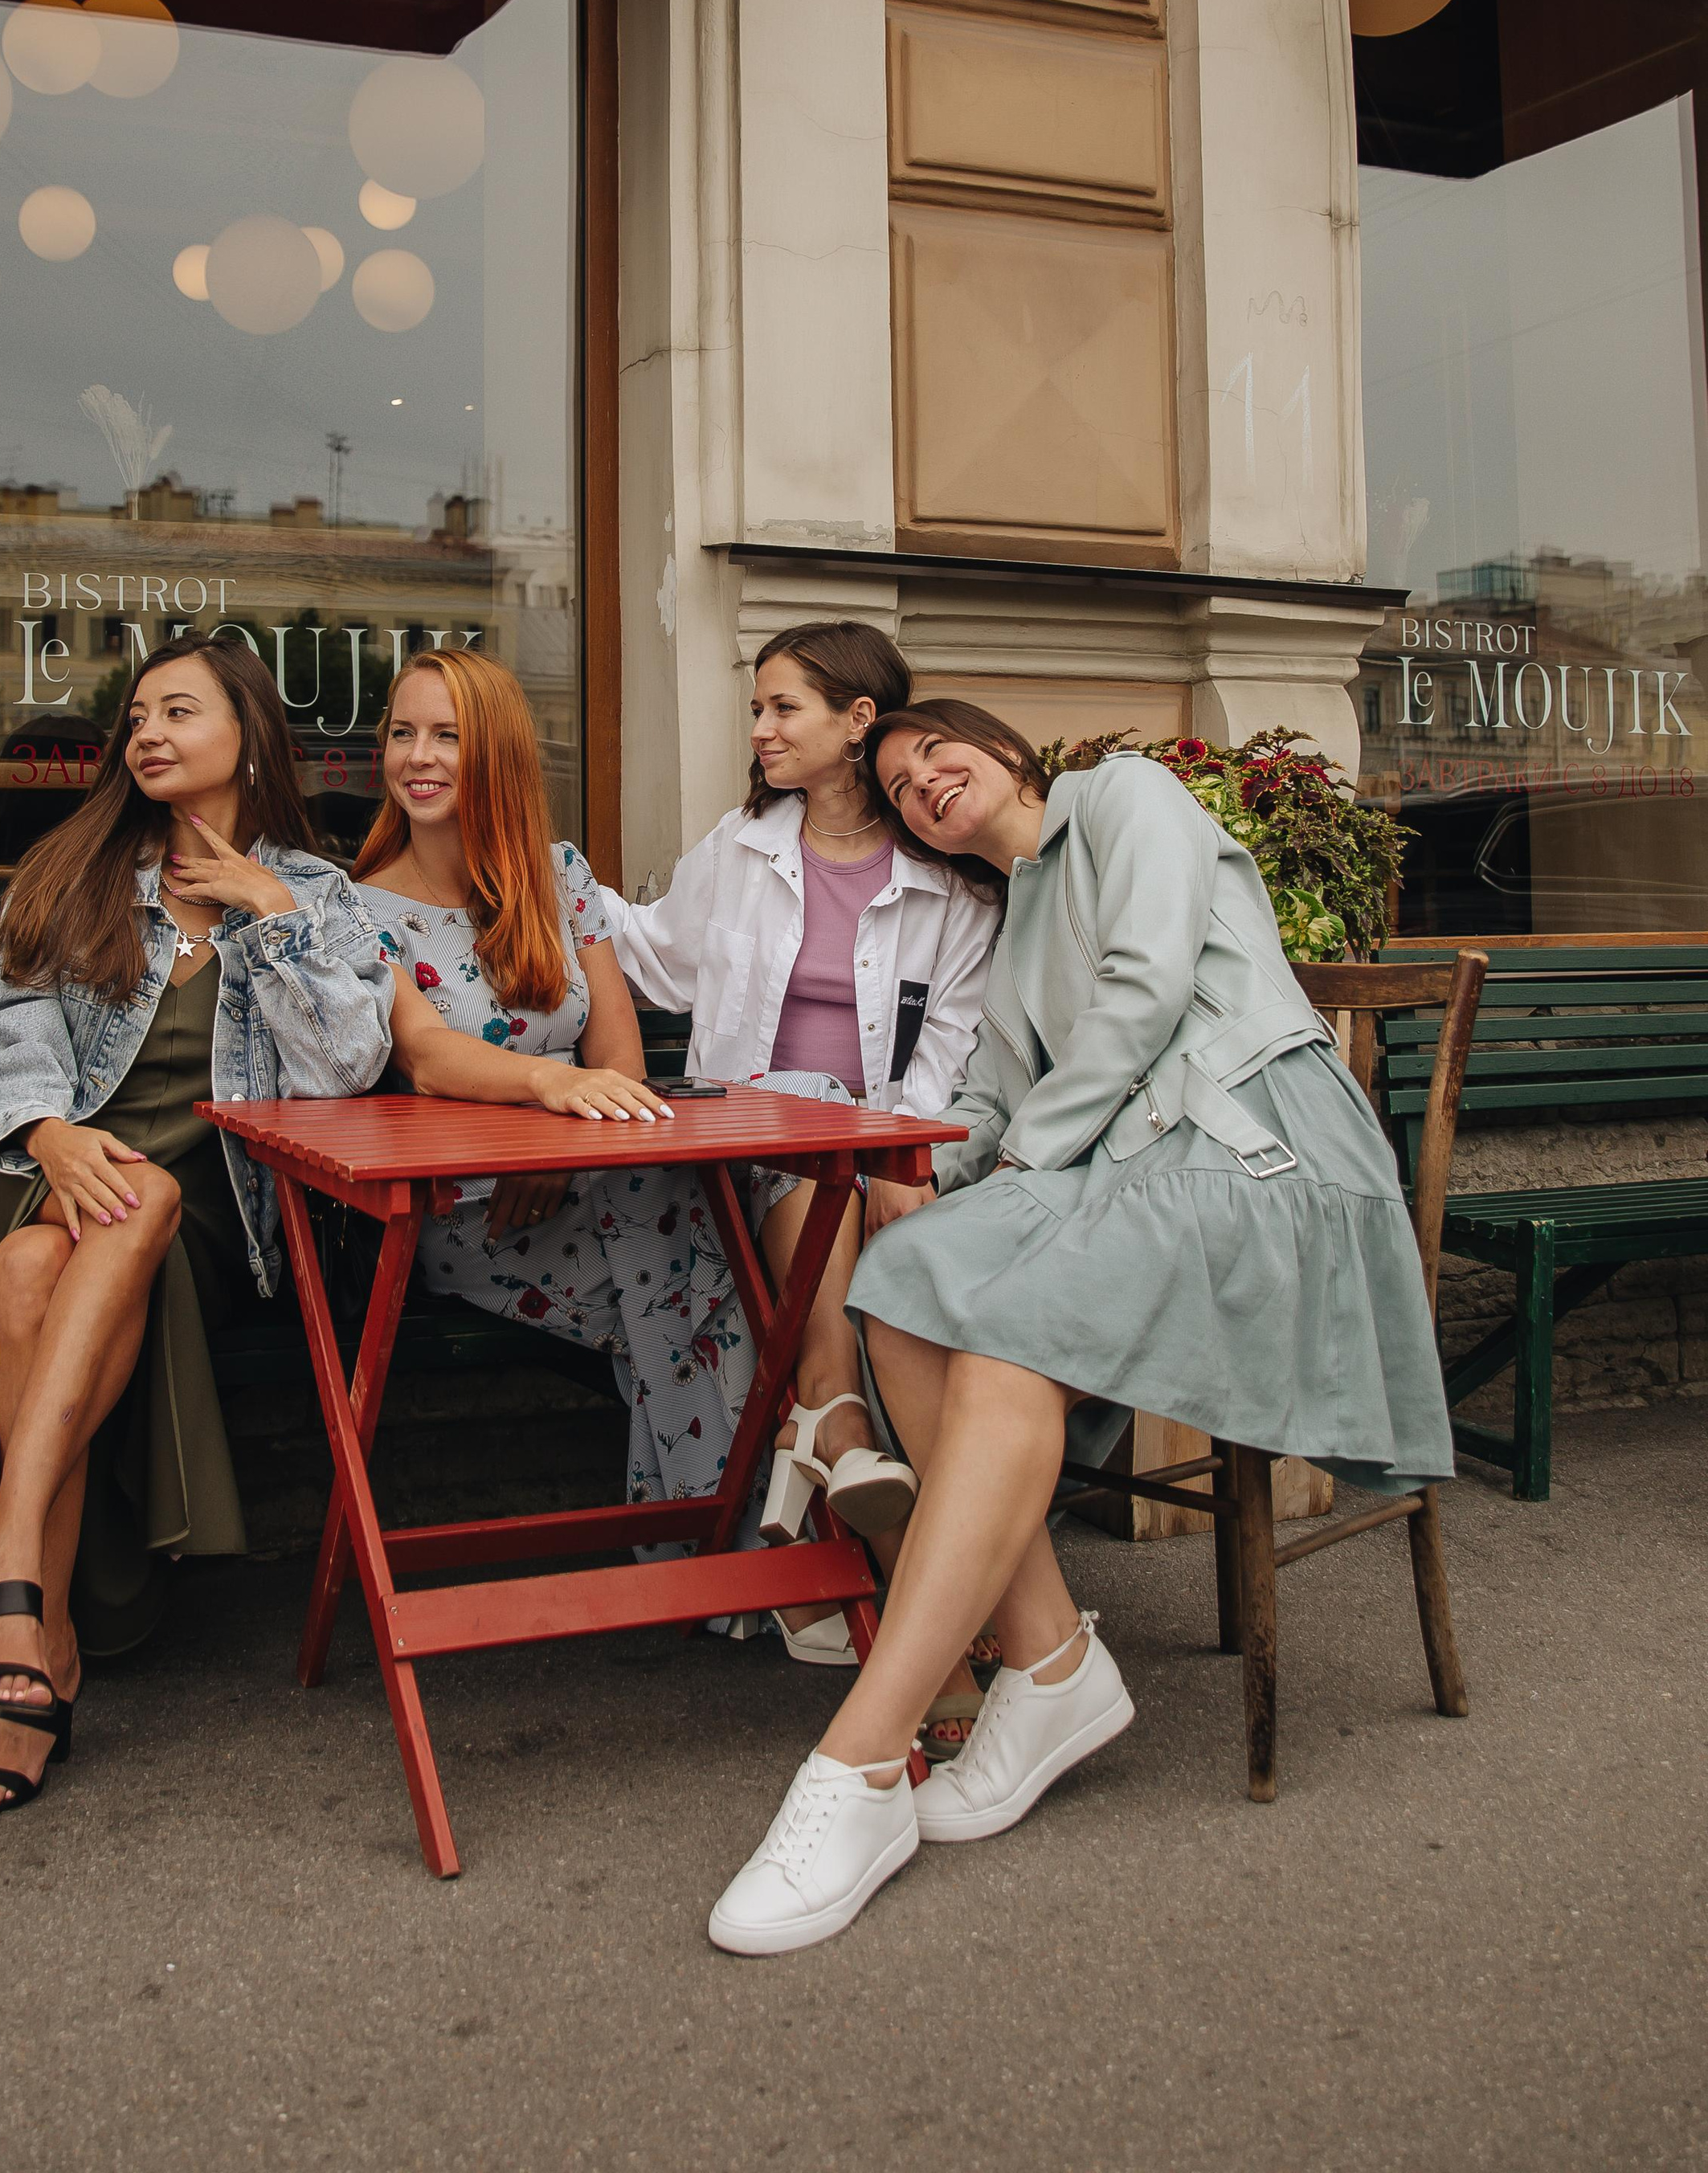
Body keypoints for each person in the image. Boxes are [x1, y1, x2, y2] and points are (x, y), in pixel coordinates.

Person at [707, 700, 1457, 1954]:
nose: (920, 784)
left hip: (1262, 1164)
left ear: (1005, 753)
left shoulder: (1123, 799)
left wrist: (1025, 1171)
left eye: (935, 754)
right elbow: (994, 1099)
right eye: (896, 787)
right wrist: (930, 1178)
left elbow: (1153, 985)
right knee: (906, 1282)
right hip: (1134, 1186)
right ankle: (1049, 1662)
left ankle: (858, 1765)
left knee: (1004, 1327)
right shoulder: (1012, 937)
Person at [0, 631, 395, 1822]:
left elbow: (346, 1069)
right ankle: (30, 1602)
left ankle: (17, 1593)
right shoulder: (71, 868)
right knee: (47, 1245)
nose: (146, 733)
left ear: (250, 738)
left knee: (141, 1204)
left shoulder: (316, 892)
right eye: (136, 716)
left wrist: (270, 911)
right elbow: (0, 1031)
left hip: (194, 1240)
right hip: (38, 1181)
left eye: (177, 711)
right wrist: (46, 1134)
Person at [602, 624, 997, 1687]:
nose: (762, 729)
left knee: (826, 1135)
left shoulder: (949, 881)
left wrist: (891, 1167)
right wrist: (539, 883)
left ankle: (835, 1450)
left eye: (785, 708)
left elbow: (947, 1052)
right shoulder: (740, 846)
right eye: (758, 710)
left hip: (879, 1165)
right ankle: (850, 1451)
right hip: (744, 1157)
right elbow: (653, 958)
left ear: (858, 719)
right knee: (792, 1102)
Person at [350, 646, 751, 1515]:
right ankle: (779, 1539)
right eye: (403, 733)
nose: (418, 757)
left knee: (707, 1268)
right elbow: (422, 1055)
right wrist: (543, 1104)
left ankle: (734, 1548)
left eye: (447, 735)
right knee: (728, 1286)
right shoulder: (357, 911)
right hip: (472, 1210)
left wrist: (562, 1144)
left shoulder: (560, 876)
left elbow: (619, 1060)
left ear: (495, 752)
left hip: (588, 1177)